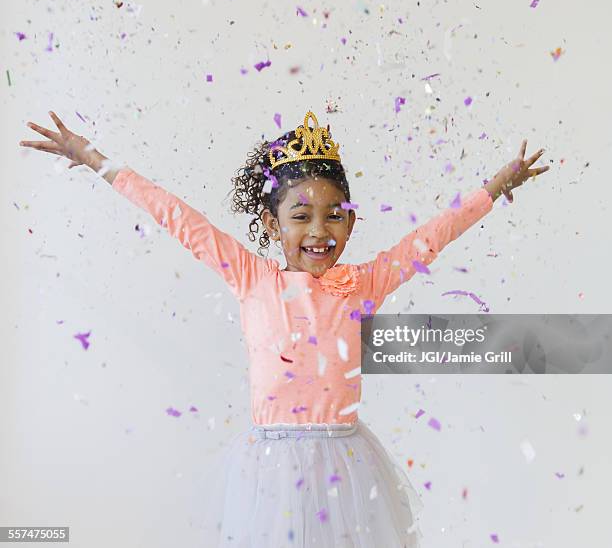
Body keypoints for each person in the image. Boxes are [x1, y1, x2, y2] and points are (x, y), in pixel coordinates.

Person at [19, 110, 549, 547]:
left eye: (335, 214)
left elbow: (431, 238)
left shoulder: (364, 283)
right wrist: (94, 159)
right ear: (272, 223)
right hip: (269, 470)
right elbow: (176, 217)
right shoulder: (252, 277)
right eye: (301, 215)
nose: (320, 231)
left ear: (352, 220)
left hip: (347, 464)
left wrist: (495, 187)